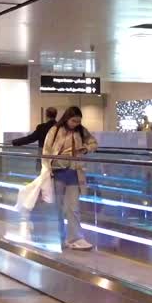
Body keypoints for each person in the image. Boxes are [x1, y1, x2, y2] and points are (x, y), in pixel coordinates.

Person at [42, 106, 98, 251]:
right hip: (58, 172)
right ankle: (59, 237)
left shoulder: (81, 130)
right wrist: (47, 169)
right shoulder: (55, 130)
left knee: (73, 207)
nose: (76, 124)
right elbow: (46, 151)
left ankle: (76, 238)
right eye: (73, 121)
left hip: (74, 173)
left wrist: (85, 148)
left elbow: (94, 143)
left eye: (78, 121)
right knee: (58, 207)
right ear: (67, 118)